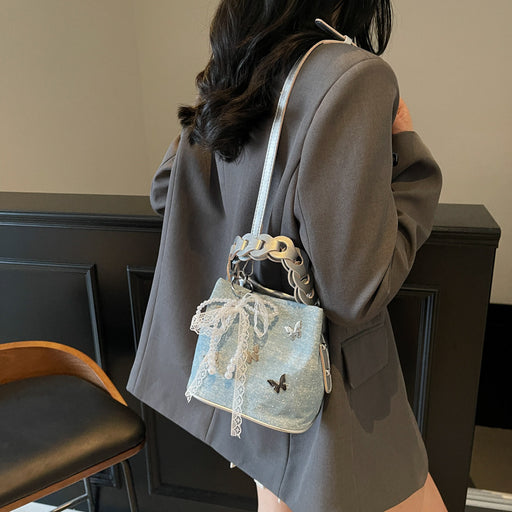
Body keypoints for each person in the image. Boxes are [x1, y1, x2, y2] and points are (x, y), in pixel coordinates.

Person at [127, 1, 448, 511]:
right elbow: (356, 293)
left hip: (252, 369)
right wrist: (409, 159)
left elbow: (166, 191)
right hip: (327, 393)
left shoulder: (240, 69)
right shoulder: (354, 75)